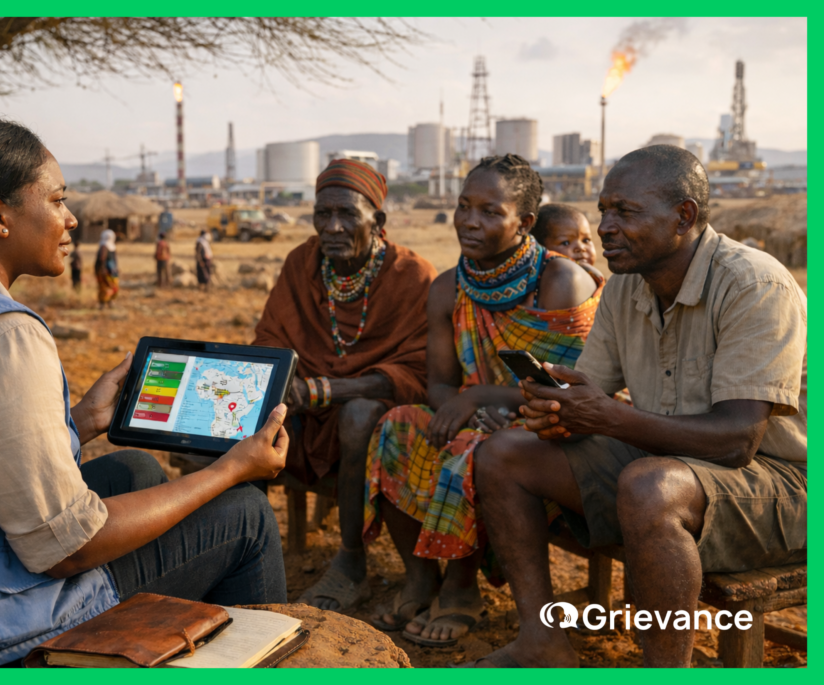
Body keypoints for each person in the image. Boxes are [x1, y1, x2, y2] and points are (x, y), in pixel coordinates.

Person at [0, 116, 289, 668]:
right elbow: (68, 551)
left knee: (131, 471)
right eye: (58, 199)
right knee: (245, 516)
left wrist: (82, 419)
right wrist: (229, 470)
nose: (70, 219)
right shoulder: (0, 331)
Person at [470, 145, 807, 668]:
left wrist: (606, 417)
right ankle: (542, 641)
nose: (605, 226)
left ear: (684, 217)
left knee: (651, 487)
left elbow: (738, 440)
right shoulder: (626, 287)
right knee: (504, 453)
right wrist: (556, 410)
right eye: (605, 209)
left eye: (625, 212)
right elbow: (593, 392)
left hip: (782, 486)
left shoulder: (754, 285)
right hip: (670, 467)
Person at [363, 154, 600, 646]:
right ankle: (421, 574)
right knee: (396, 426)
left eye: (491, 211)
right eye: (464, 206)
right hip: (478, 413)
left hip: (553, 430)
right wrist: (463, 404)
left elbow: (568, 391)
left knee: (474, 449)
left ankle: (462, 584)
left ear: (524, 224)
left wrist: (487, 399)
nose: (470, 221)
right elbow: (442, 383)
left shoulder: (560, 282)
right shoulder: (448, 287)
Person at [253, 158, 436, 614]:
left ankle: (351, 561)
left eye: (348, 215)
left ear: (379, 221)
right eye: (322, 215)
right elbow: (272, 337)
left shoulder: (412, 276)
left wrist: (330, 391)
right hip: (304, 410)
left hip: (371, 416)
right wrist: (291, 382)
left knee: (356, 417)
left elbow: (419, 372)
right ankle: (245, 552)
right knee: (242, 409)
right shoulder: (302, 261)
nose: (332, 227)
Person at [531, 203, 597, 268]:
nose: (581, 248)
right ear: (540, 248)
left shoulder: (596, 277)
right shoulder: (550, 278)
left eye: (586, 240)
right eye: (566, 243)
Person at [95, 228, 119, 307]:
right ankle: (103, 304)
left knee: (111, 287)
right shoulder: (104, 246)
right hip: (105, 271)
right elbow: (102, 258)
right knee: (105, 287)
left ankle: (110, 302)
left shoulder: (110, 246)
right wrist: (103, 269)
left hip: (111, 271)